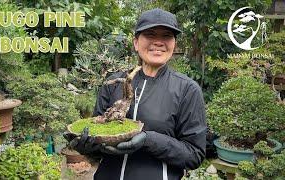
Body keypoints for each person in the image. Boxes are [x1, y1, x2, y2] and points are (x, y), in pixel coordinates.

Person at [64, 8, 207, 180]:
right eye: (150, 34)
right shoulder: (114, 83)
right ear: (136, 42)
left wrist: (148, 140)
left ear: (174, 43)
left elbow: (194, 155)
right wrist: (86, 147)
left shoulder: (187, 89)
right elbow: (98, 138)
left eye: (167, 36)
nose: (159, 42)